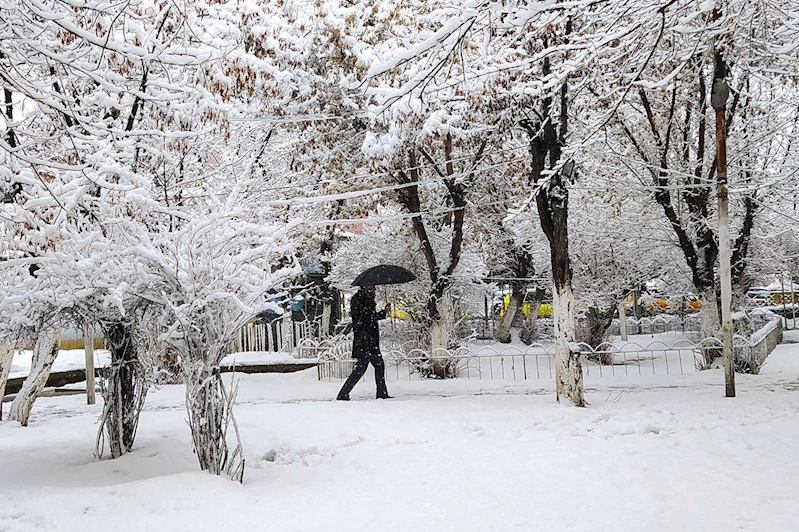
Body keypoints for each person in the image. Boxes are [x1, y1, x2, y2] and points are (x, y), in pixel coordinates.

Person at [337, 285, 392, 400]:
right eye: (372, 287)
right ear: (365, 287)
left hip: (368, 340)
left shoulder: (366, 299)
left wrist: (382, 312)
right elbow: (366, 318)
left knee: (376, 366)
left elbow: (369, 317)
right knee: (362, 368)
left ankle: (381, 393)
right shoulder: (359, 300)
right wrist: (382, 313)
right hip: (365, 340)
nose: (375, 290)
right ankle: (343, 393)